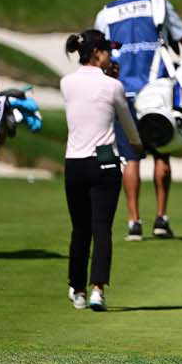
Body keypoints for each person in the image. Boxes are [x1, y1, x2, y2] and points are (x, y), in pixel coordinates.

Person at [96, 0, 182, 242]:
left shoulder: (105, 15)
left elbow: (100, 57)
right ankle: (162, 219)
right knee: (162, 154)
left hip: (124, 94)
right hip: (158, 93)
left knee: (130, 158)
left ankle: (133, 222)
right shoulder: (158, 5)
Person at [60, 29, 141, 312]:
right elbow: (127, 122)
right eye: (107, 51)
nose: (111, 55)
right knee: (101, 228)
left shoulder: (66, 83)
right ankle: (98, 289)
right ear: (97, 53)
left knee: (79, 229)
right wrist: (137, 144)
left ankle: (78, 289)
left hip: (74, 163)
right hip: (104, 162)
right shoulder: (113, 86)